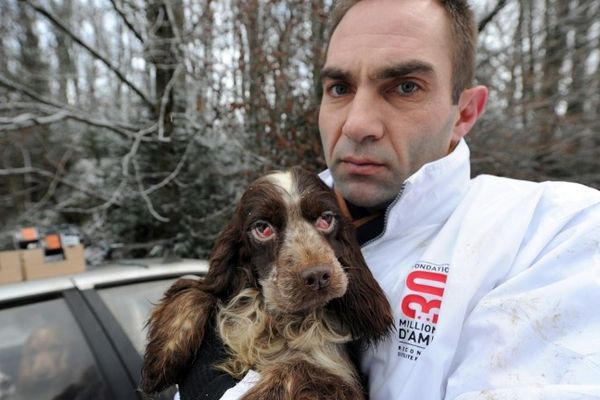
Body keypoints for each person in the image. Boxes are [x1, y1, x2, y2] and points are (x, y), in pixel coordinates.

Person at [177, 0, 600, 398]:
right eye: (340, 87)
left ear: (465, 113)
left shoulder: (554, 233)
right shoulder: (269, 218)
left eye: (405, 86)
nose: (357, 124)